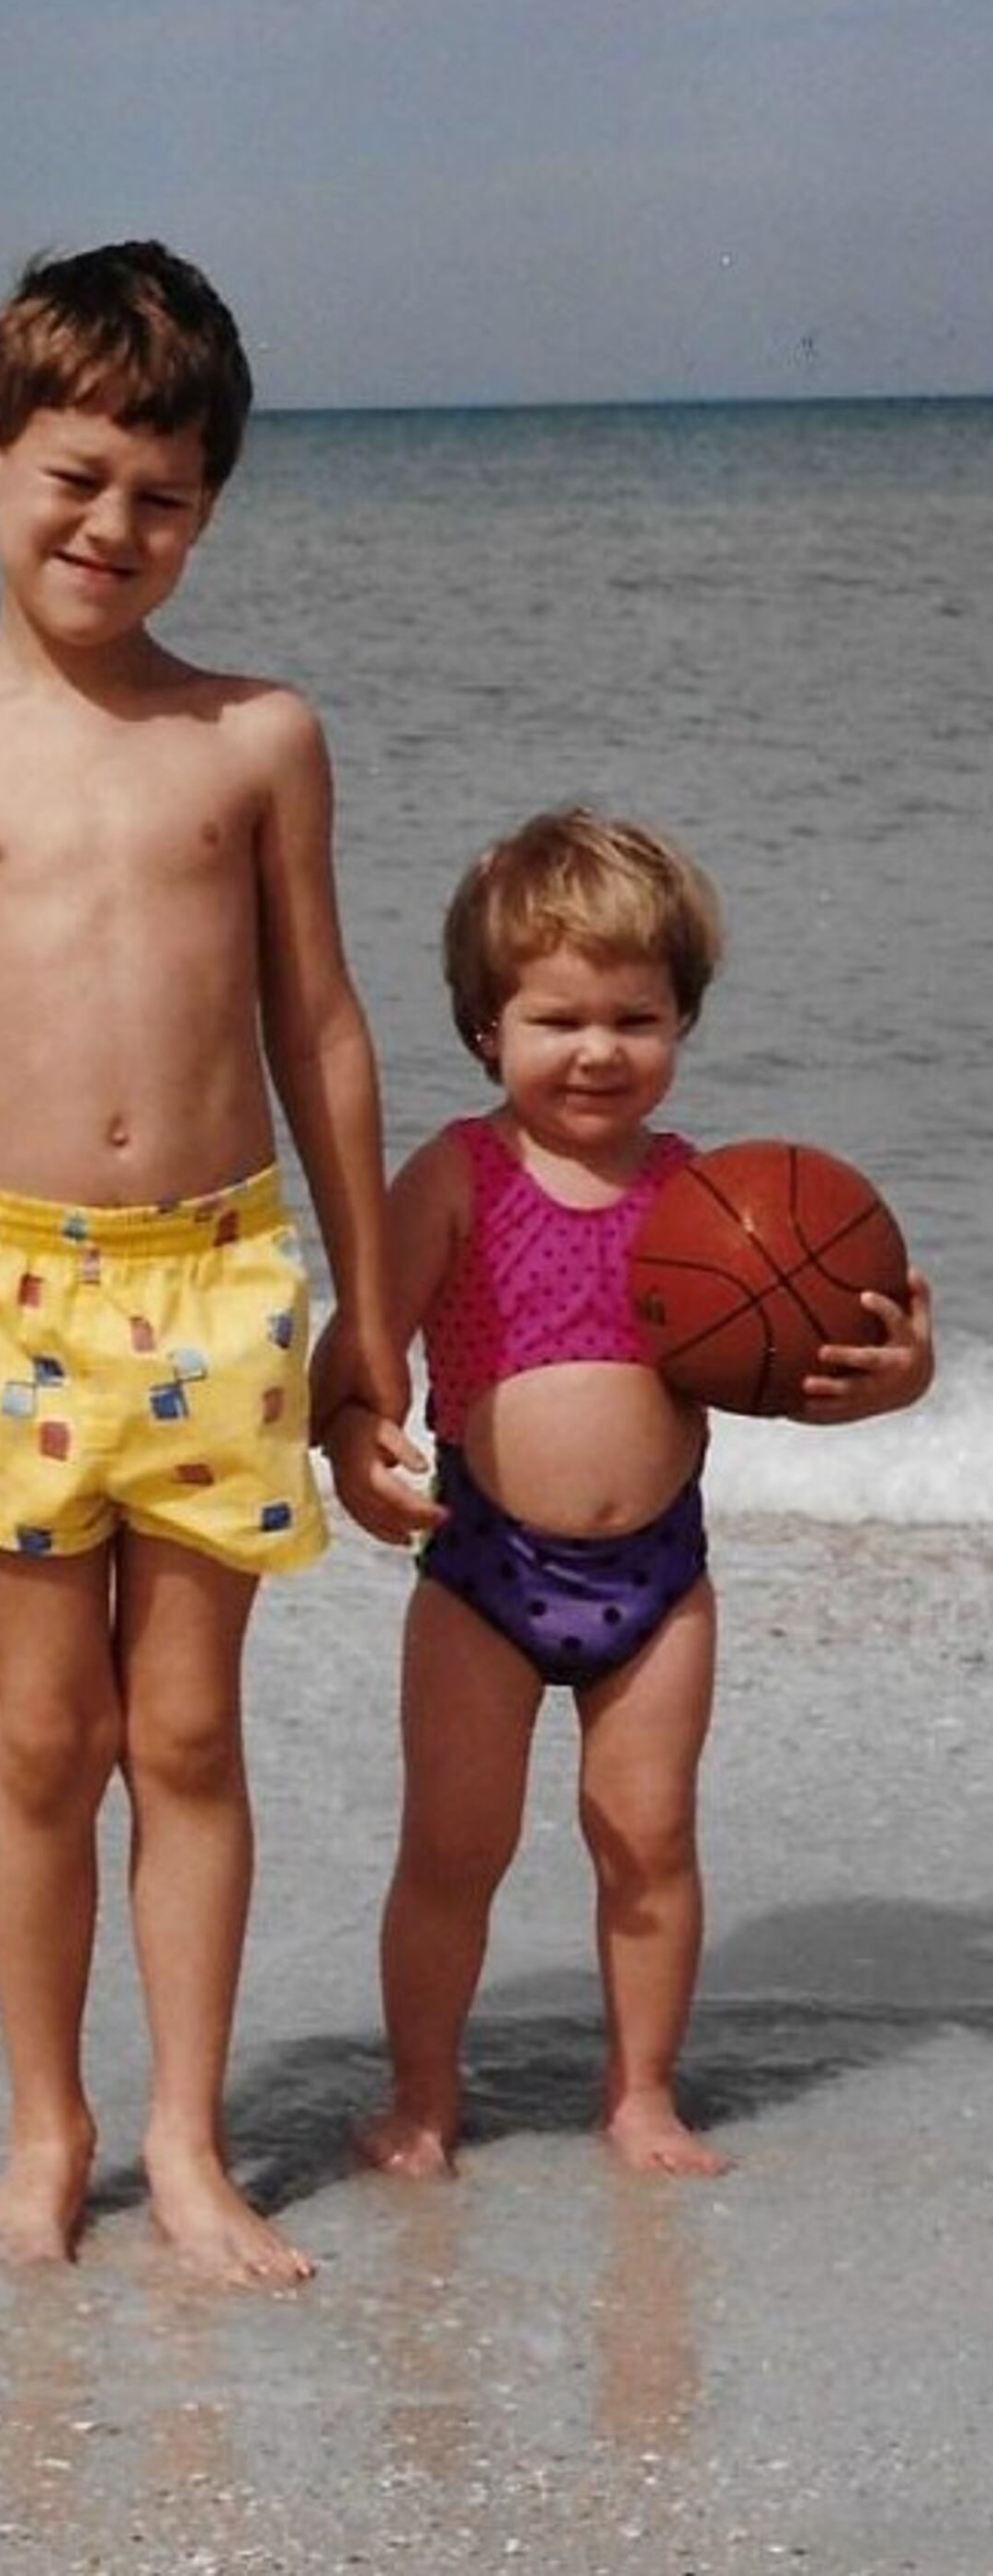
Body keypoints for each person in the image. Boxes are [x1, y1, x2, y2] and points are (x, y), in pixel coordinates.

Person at [0, 240, 405, 2286]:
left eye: (161, 495)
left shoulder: (255, 737)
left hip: (223, 1282)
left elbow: (319, 1029)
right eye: (73, 477)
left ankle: (187, 2138)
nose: (111, 528)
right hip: (1, 1294)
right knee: (43, 1738)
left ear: (206, 507)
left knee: (193, 1734)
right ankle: (47, 2134)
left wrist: (366, 1326)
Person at [316, 809, 934, 2178]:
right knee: (452, 1850)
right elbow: (355, 1349)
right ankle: (422, 2097)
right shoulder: (459, 1178)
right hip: (483, 1572)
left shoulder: (718, 1202)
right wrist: (356, 1437)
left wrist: (898, 1371)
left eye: (635, 1017)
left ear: (682, 1021)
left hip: (658, 1578)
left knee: (648, 1839)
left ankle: (642, 2091)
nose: (598, 1049)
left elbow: (821, 1367)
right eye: (558, 1018)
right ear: (488, 1028)